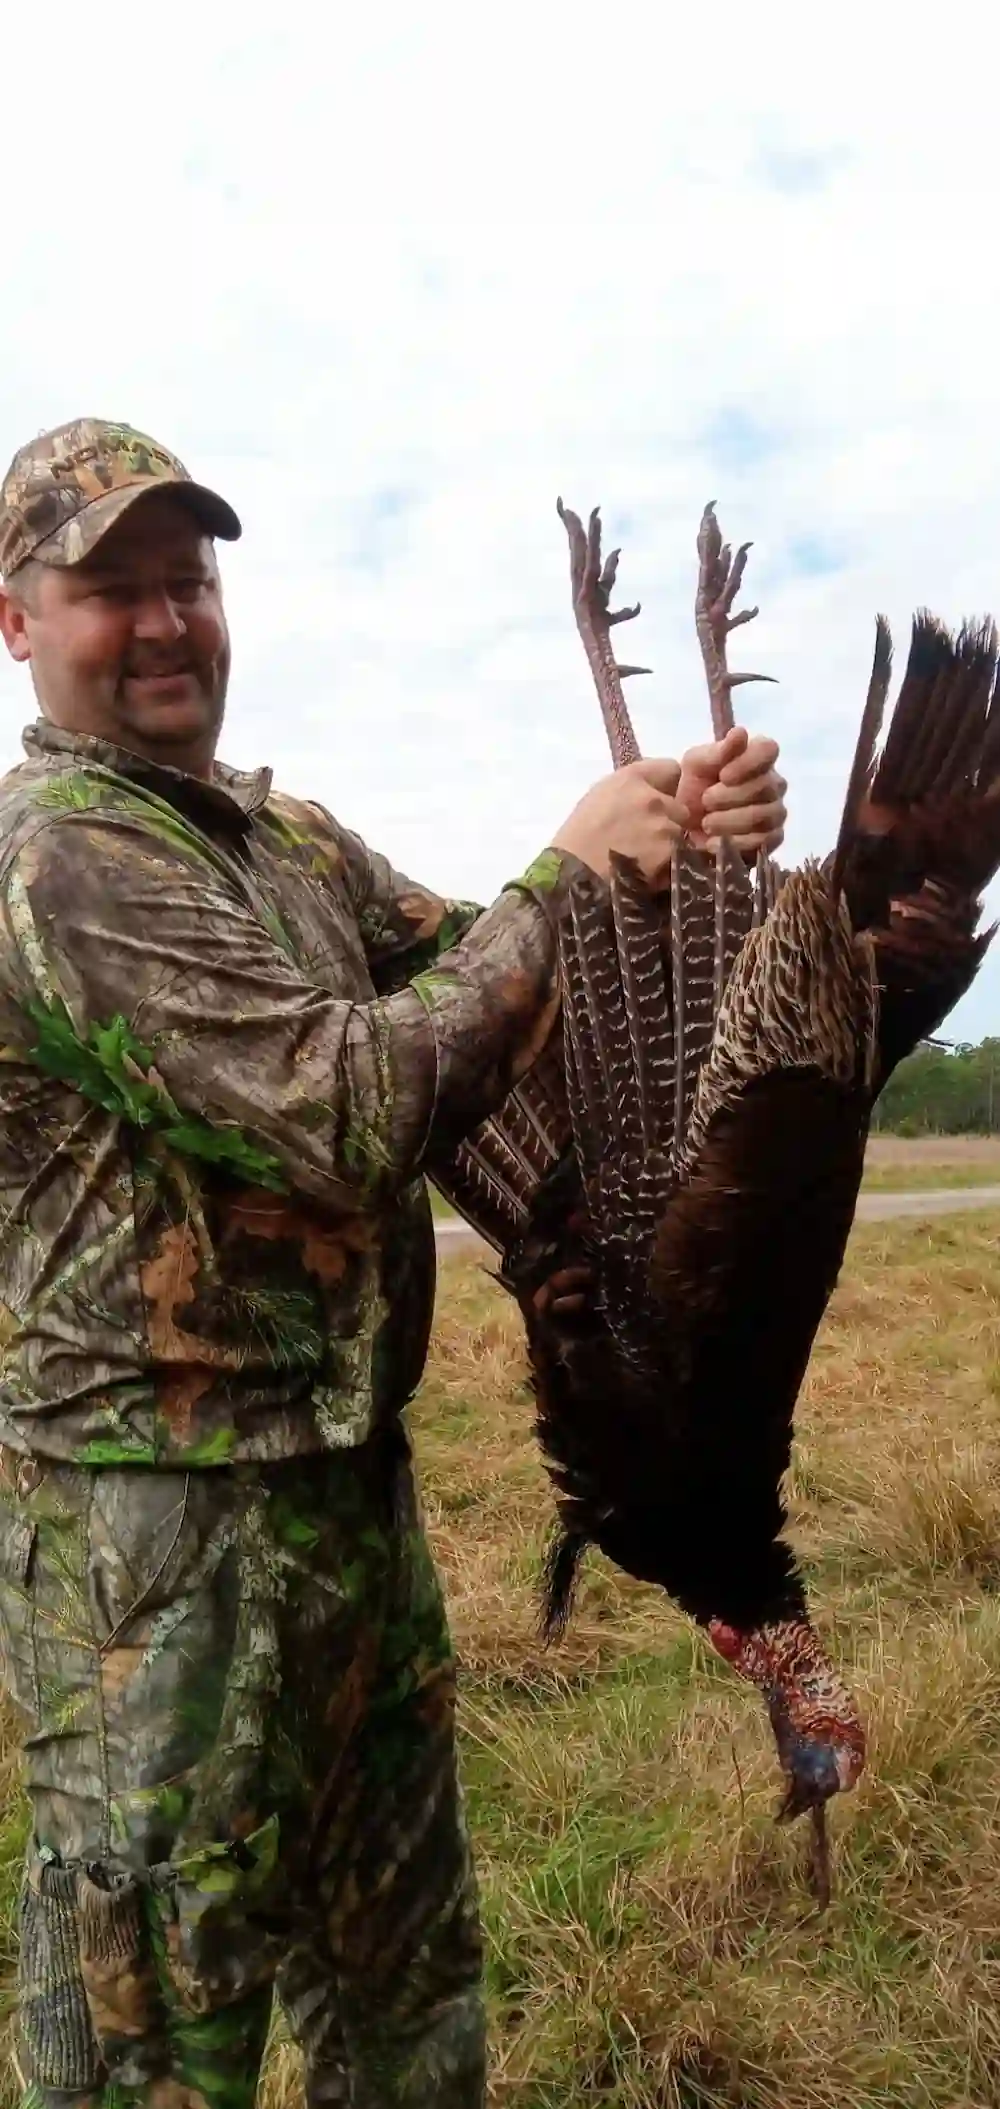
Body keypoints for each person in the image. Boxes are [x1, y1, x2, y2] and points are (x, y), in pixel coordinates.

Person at [0, 418, 787, 2109]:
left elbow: (499, 983)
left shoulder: (283, 843)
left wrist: (684, 837)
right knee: (159, 2045)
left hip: (349, 1506)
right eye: (112, 590)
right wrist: (570, 874)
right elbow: (347, 1107)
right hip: (151, 1560)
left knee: (408, 2010)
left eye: (190, 581)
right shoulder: (61, 855)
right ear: (18, 623)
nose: (165, 622)